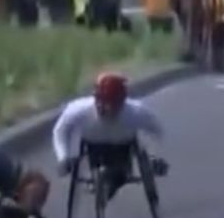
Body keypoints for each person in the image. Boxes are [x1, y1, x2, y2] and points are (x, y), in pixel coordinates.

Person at [52, 72, 166, 202]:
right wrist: (63, 157)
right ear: (96, 99)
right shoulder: (78, 110)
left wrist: (155, 157)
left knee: (119, 174)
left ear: (122, 102)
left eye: (113, 104)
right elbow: (60, 131)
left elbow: (157, 130)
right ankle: (105, 181)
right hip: (93, 146)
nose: (108, 109)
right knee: (103, 171)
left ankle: (112, 181)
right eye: (103, 103)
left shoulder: (136, 111)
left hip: (123, 148)